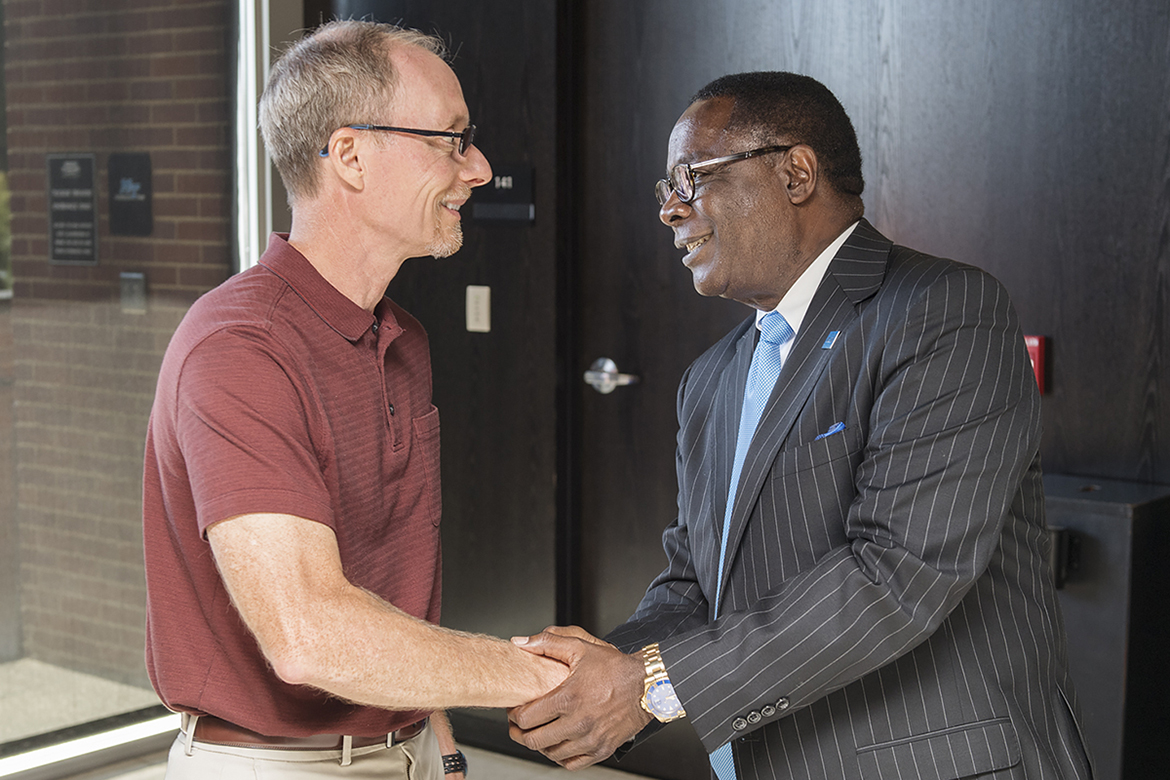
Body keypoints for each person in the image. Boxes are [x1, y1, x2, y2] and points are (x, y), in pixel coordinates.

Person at [508, 72, 1094, 780]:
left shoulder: (945, 311)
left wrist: (653, 689)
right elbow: (696, 583)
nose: (670, 210)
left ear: (795, 173)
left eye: (690, 179)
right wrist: (595, 676)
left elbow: (897, 574)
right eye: (664, 190)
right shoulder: (711, 379)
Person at [142, 20, 567, 780]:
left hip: (405, 756)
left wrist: (440, 745)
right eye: (452, 139)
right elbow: (310, 632)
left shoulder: (400, 339)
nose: (479, 168)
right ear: (350, 156)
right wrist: (546, 678)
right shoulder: (240, 348)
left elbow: (383, 587)